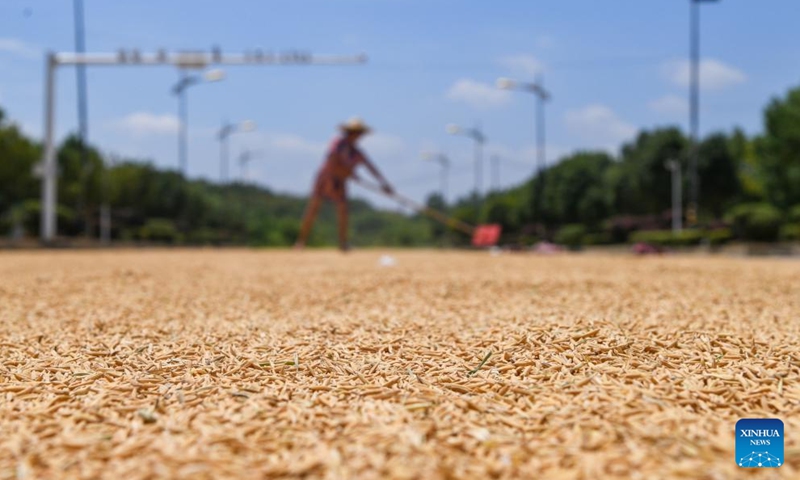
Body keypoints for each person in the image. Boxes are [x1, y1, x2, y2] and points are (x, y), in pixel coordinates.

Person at [295, 118, 394, 251]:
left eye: (360, 133)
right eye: (357, 132)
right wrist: (348, 172)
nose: (359, 136)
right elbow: (332, 160)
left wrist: (384, 183)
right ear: (350, 132)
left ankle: (343, 243)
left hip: (340, 182)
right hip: (326, 178)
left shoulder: (357, 151)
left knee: (343, 210)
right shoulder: (338, 144)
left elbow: (371, 167)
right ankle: (301, 242)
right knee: (313, 208)